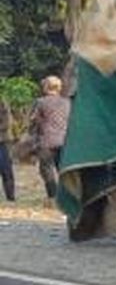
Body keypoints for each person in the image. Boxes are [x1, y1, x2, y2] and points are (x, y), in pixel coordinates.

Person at [28, 75, 71, 203]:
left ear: (46, 87)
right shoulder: (67, 101)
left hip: (46, 141)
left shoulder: (40, 102)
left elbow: (34, 120)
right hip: (64, 140)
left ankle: (53, 196)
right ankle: (67, 198)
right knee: (62, 170)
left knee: (46, 169)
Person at [0, 97, 14, 201]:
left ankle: (10, 197)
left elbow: (7, 122)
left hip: (2, 141)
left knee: (6, 170)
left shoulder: (2, 104)